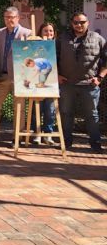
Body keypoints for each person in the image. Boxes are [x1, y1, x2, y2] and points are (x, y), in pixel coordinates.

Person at [56, 12, 107, 152]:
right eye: (76, 22)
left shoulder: (97, 38)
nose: (79, 25)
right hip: (67, 84)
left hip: (89, 85)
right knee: (66, 113)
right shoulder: (62, 39)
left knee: (92, 115)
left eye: (82, 22)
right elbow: (53, 58)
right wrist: (57, 75)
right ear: (72, 23)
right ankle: (65, 142)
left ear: (88, 23)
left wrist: (100, 77)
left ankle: (95, 144)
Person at [0, 6, 31, 144]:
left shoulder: (28, 33)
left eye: (12, 17)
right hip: (2, 77)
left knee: (19, 108)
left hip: (20, 77)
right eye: (7, 17)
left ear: (18, 18)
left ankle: (17, 137)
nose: (9, 20)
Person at [30, 22, 57, 145]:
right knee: (37, 109)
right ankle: (37, 134)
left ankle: (48, 134)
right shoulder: (35, 46)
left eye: (51, 31)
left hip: (52, 82)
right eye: (45, 31)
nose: (48, 33)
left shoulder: (57, 45)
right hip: (37, 82)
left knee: (50, 110)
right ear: (40, 33)